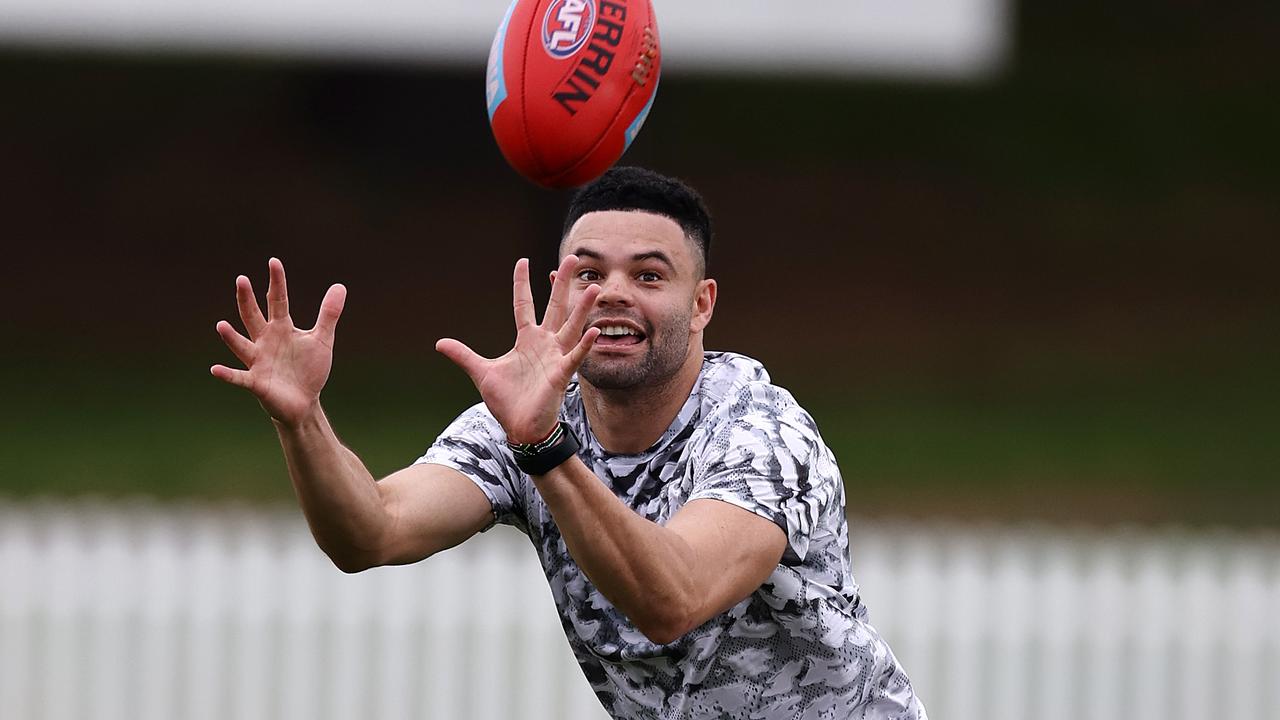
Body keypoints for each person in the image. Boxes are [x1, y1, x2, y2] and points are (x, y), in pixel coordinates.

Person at [211, 167, 926, 719]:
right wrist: (303, 420)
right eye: (589, 274)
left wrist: (546, 448)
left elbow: (673, 599)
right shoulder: (531, 417)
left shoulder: (760, 429)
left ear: (702, 303)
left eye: (648, 275)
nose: (612, 294)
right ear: (559, 289)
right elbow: (372, 531)